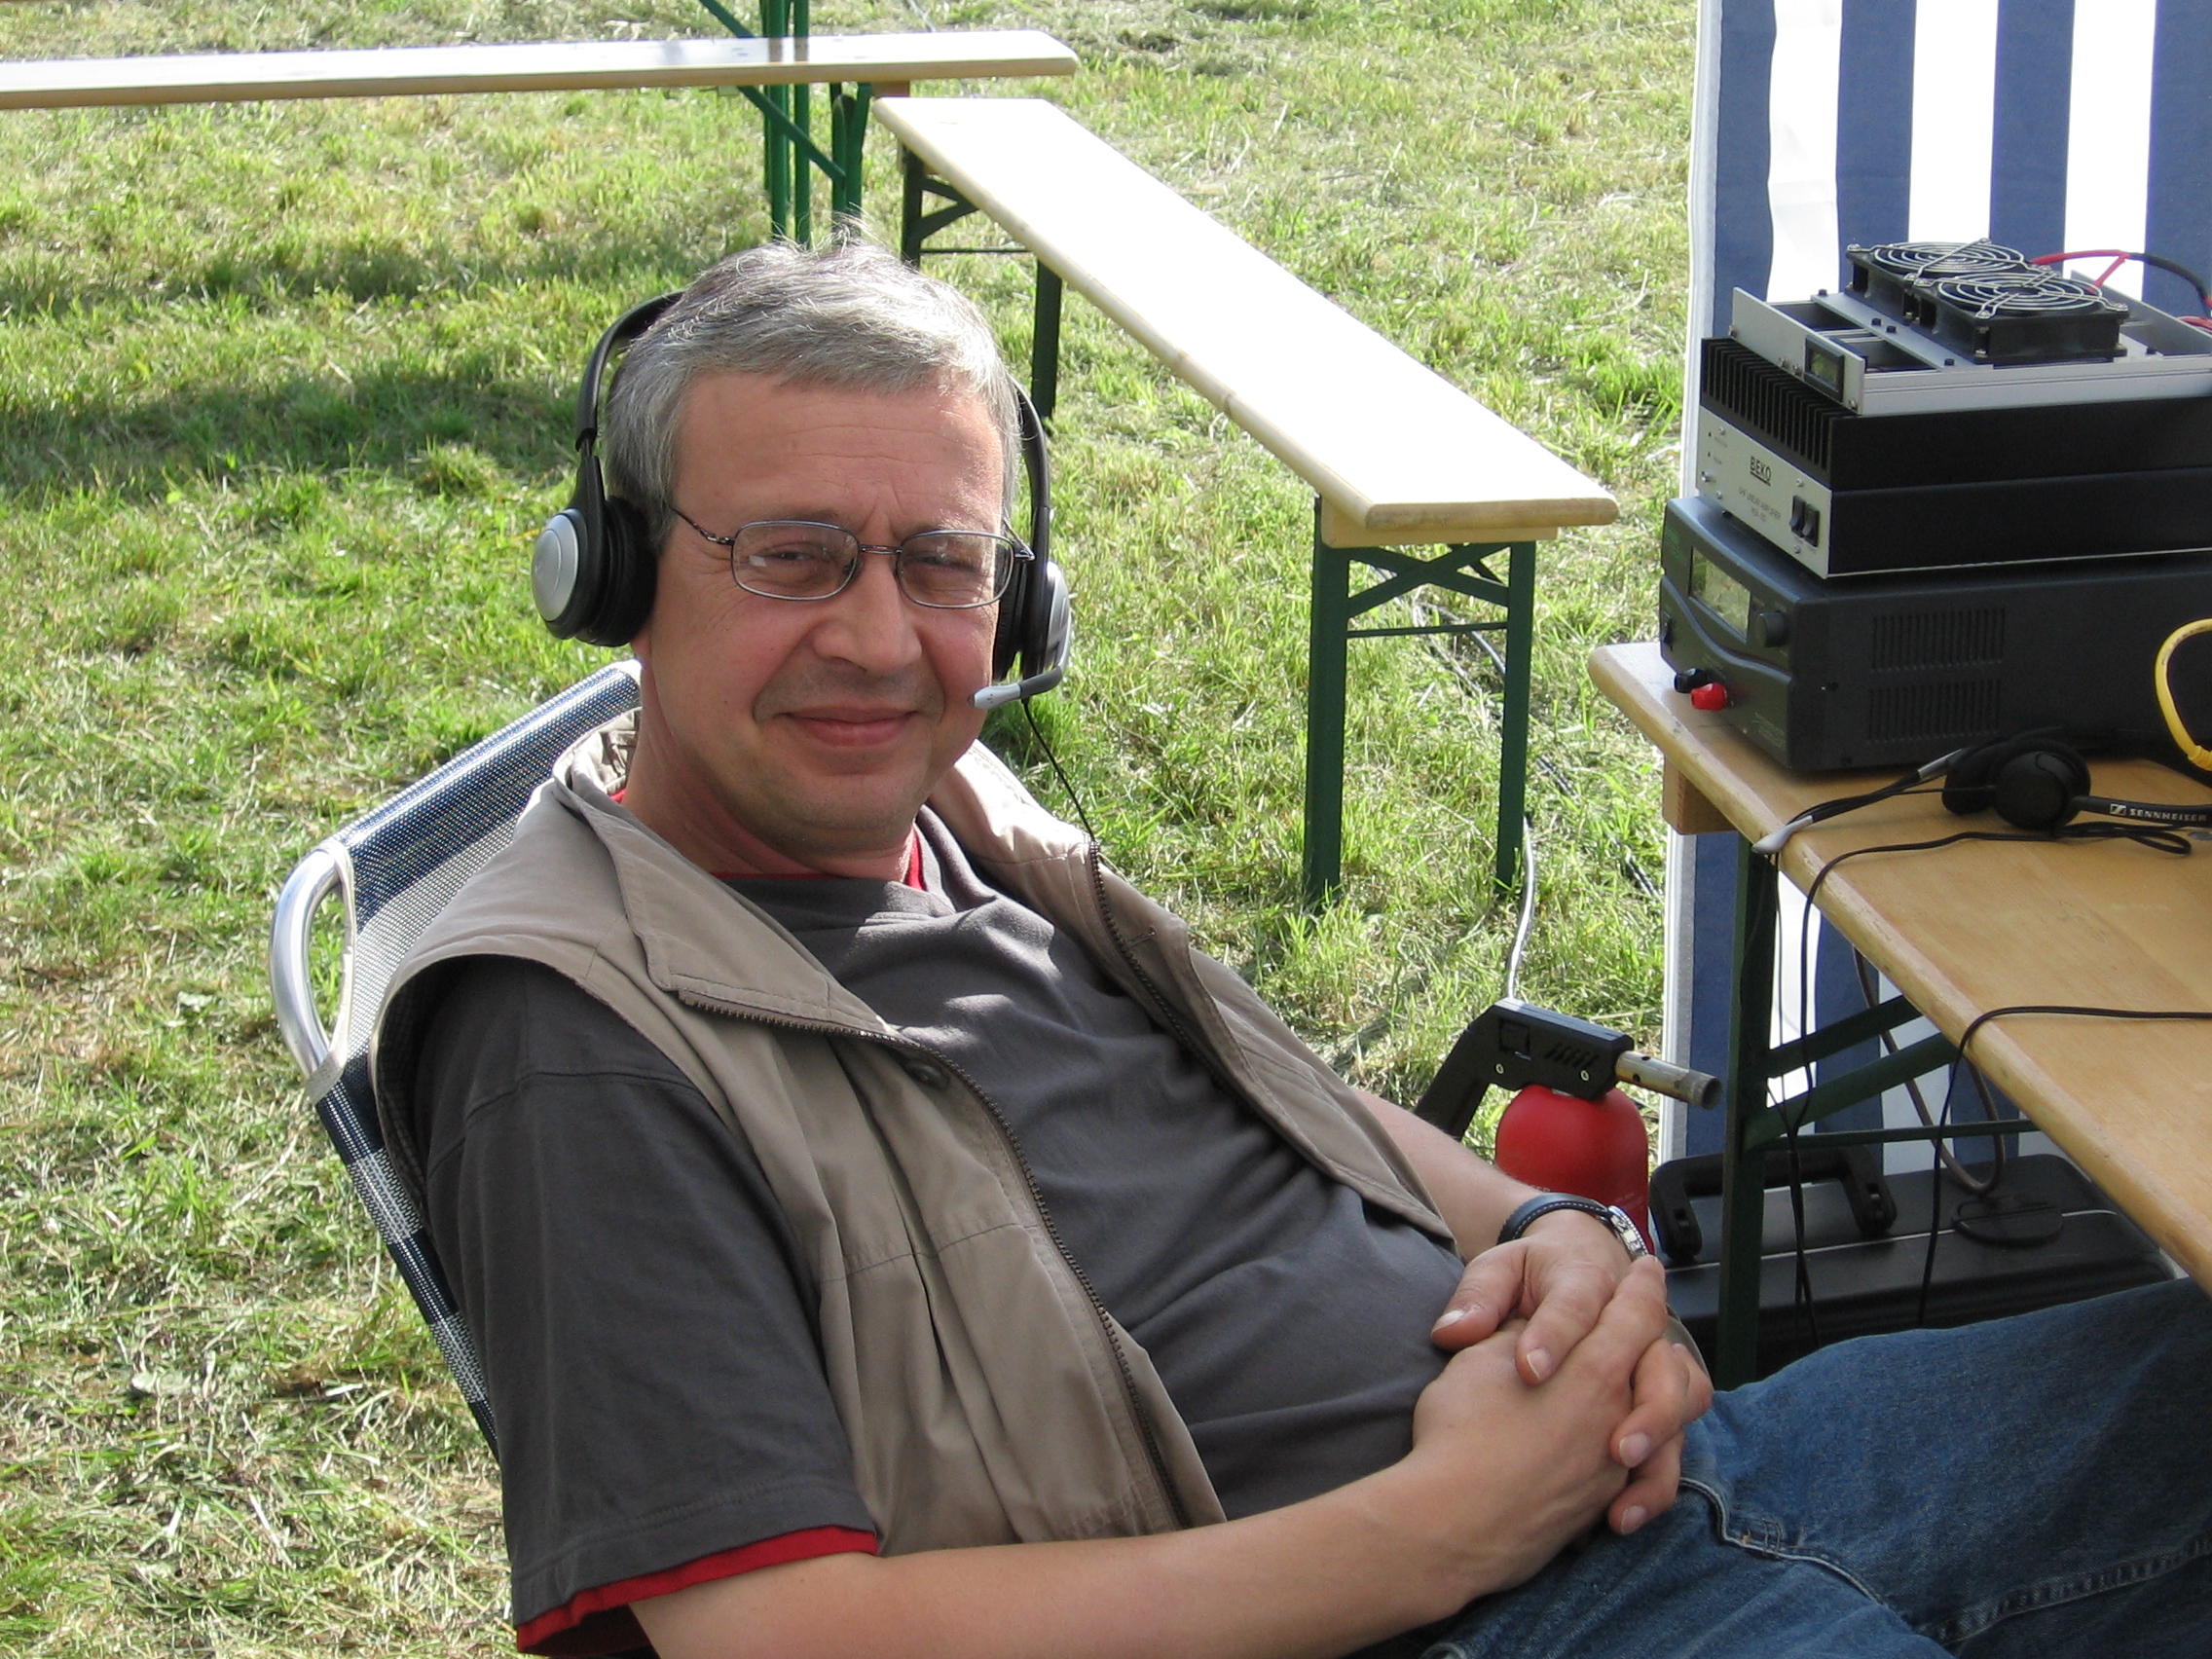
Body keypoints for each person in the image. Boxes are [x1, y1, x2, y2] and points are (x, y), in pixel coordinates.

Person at [371, 240, 2212, 1659]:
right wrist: (1439, 1534)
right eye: (791, 556)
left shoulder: (952, 816)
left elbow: (1285, 1105)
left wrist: (1565, 1243)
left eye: (940, 563)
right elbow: (771, 1637)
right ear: (619, 580)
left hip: (1662, 1485)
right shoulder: (571, 1039)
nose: (877, 639)